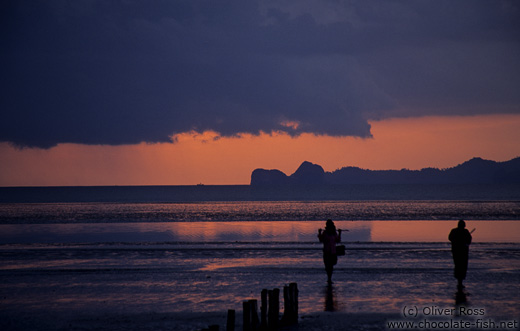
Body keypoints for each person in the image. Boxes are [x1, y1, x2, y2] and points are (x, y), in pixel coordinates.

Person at [448, 220, 472, 289]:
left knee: (458, 265)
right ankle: (460, 280)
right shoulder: (465, 232)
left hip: (456, 251)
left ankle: (459, 280)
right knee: (462, 265)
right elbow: (469, 240)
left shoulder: (454, 231)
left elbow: (450, 238)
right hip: (462, 252)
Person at [318, 219, 342, 283]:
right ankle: (329, 278)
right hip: (327, 252)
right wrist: (319, 233)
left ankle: (329, 278)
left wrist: (339, 233)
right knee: (328, 266)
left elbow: (338, 240)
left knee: (330, 265)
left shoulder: (334, 233)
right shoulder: (325, 233)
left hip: (332, 252)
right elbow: (321, 240)